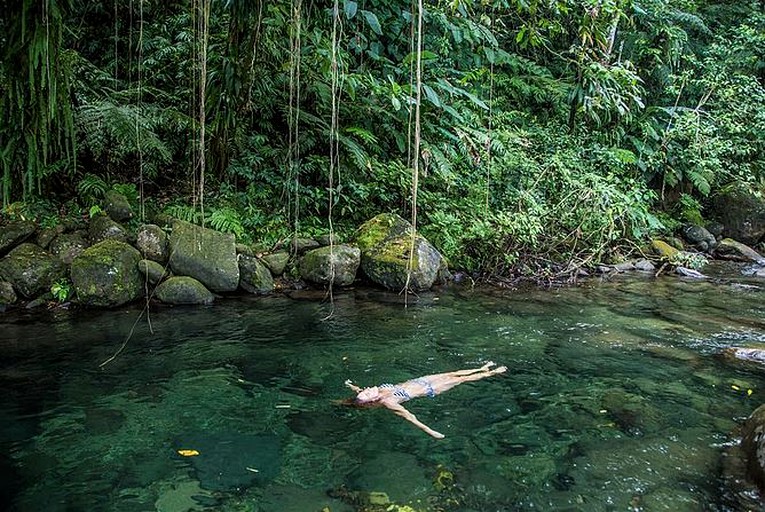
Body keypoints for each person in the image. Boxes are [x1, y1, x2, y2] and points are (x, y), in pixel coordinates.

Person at [343, 361, 507, 439]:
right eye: (366, 393)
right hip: (430, 389)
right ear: (372, 401)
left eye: (365, 390)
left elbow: (360, 391)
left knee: (452, 372)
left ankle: (481, 368)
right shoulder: (389, 402)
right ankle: (492, 373)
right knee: (461, 380)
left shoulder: (375, 390)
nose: (367, 389)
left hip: (420, 380)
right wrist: (430, 431)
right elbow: (410, 417)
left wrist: (352, 387)